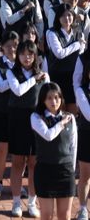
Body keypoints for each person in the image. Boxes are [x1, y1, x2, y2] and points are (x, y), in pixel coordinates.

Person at [8, 38, 49, 217]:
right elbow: (18, 91)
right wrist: (33, 79)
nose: (27, 58)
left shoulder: (44, 75)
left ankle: (32, 202)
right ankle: (16, 202)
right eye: (23, 54)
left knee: (34, 163)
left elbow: (49, 99)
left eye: (30, 54)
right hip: (18, 119)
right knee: (18, 162)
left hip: (37, 120)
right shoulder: (12, 72)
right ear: (18, 56)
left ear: (35, 56)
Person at [30, 83, 76, 220]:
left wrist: (71, 169)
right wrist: (61, 123)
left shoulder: (70, 118)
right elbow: (48, 135)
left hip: (65, 171)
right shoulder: (36, 117)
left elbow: (73, 147)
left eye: (57, 97)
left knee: (65, 216)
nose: (54, 102)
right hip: (45, 171)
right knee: (46, 215)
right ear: (43, 100)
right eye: (49, 98)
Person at [0, 31, 18, 198]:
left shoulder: (25, 62)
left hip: (20, 112)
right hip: (2, 110)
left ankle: (17, 184)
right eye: (8, 46)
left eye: (15, 45)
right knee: (1, 149)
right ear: (2, 47)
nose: (12, 49)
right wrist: (19, 80)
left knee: (18, 152)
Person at [75, 63, 90, 220]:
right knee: (85, 175)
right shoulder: (81, 91)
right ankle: (83, 208)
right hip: (87, 135)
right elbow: (88, 114)